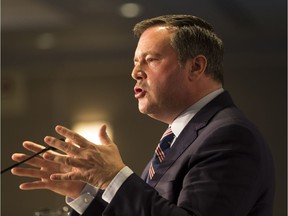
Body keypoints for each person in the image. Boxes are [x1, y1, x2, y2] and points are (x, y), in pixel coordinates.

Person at [11, 15, 275, 216]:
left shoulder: (228, 136)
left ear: (196, 66)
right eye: (136, 62)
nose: (135, 72)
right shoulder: (180, 136)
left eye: (150, 59)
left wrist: (114, 177)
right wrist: (85, 193)